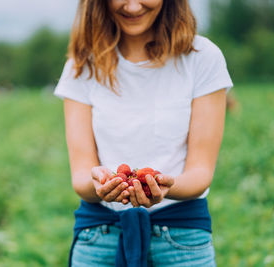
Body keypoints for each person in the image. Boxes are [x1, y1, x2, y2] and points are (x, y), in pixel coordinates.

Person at [54, 0, 233, 266]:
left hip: (181, 237)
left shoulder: (202, 58)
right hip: (100, 237)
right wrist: (100, 184)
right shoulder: (82, 64)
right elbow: (81, 177)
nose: (133, 6)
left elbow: (200, 173)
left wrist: (164, 186)